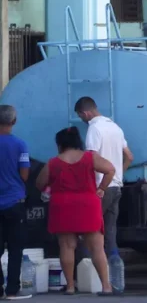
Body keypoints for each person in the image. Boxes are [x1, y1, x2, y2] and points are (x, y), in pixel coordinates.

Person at [36, 127, 115, 295]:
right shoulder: (90, 157)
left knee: (66, 246)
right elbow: (110, 169)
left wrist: (51, 185)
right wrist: (101, 188)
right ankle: (106, 286)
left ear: (60, 144)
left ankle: (71, 286)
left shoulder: (53, 162)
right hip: (88, 203)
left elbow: (39, 184)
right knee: (97, 248)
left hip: (62, 205)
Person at [74, 97, 133, 256]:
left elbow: (91, 159)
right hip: (115, 187)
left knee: (88, 229)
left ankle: (87, 271)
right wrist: (118, 175)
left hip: (100, 188)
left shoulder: (94, 129)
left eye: (80, 116)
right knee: (110, 232)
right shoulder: (115, 127)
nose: (82, 120)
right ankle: (114, 270)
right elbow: (129, 156)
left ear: (85, 113)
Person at [0, 105, 31, 300]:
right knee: (15, 248)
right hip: (14, 201)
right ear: (14, 121)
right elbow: (25, 174)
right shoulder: (21, 145)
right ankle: (12, 290)